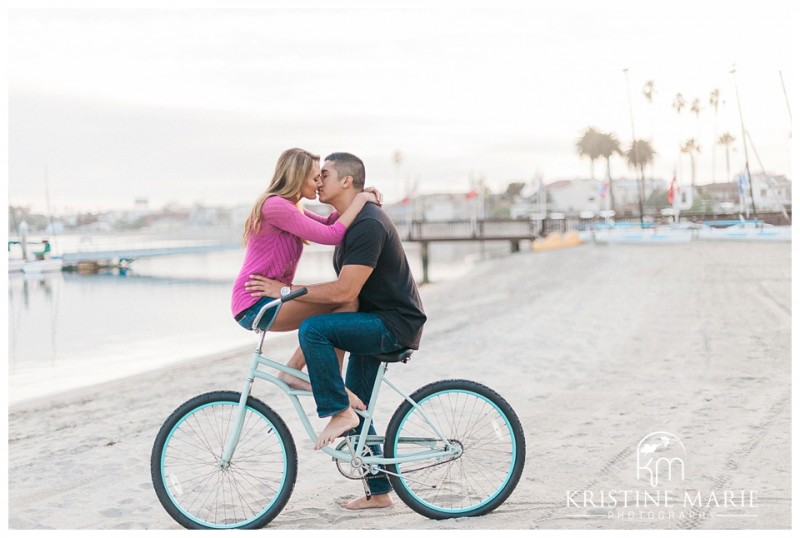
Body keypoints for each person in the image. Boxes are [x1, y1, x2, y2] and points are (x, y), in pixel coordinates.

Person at [245, 152, 426, 510]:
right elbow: (329, 228)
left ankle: (335, 408)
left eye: (323, 175)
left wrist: (285, 292)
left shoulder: (368, 224)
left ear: (346, 181)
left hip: (391, 324)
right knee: (359, 405)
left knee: (314, 329)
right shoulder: (351, 221)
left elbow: (345, 292)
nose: (317, 182)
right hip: (371, 322)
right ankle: (379, 493)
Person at [232, 148, 381, 408]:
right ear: (298, 177)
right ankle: (326, 384)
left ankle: (308, 377)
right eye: (315, 177)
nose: (320, 183)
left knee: (343, 305)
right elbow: (333, 235)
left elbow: (328, 223)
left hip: (268, 297)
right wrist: (360, 201)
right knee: (346, 303)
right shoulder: (275, 205)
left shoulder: (290, 206)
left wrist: (358, 195)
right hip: (254, 303)